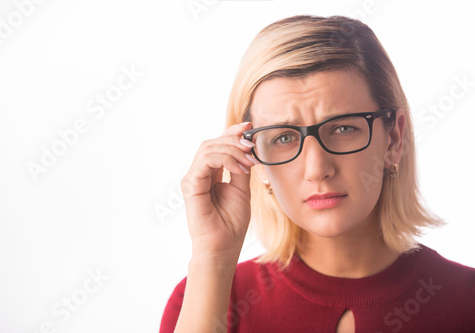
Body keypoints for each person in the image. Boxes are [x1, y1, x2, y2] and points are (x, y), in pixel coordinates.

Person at [159, 15, 475, 333]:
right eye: (283, 138)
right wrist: (213, 255)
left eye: (342, 128)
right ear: (255, 158)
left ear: (393, 139)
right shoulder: (201, 299)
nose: (317, 170)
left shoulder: (466, 302)